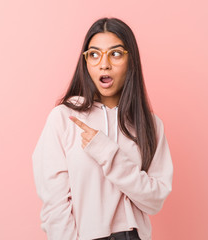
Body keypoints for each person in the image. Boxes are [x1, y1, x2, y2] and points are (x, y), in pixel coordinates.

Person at [32, 17, 173, 240]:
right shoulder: (64, 118)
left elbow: (155, 200)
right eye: (94, 54)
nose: (104, 64)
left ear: (131, 60)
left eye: (115, 54)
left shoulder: (150, 125)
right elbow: (54, 205)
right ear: (86, 62)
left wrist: (107, 153)